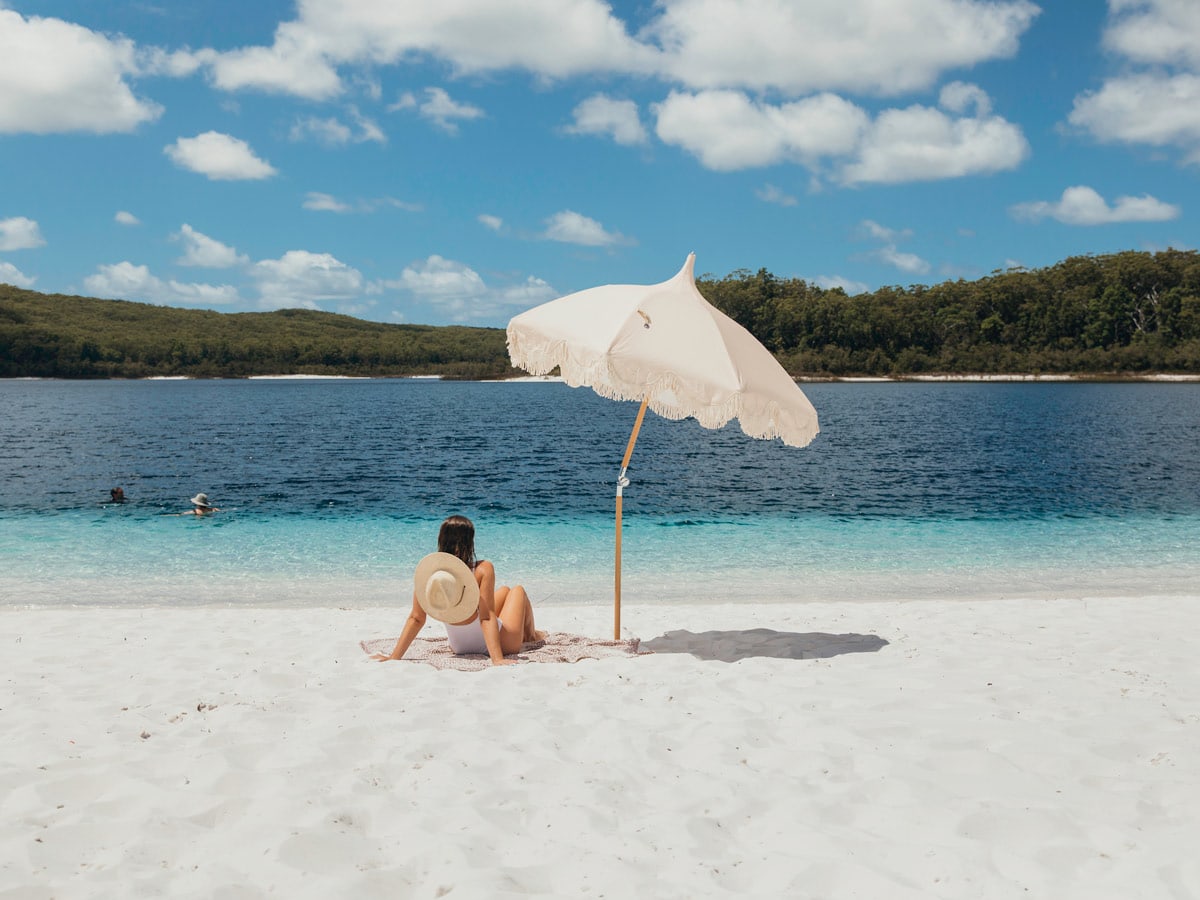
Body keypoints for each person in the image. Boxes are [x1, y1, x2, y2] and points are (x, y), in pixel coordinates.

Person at [374, 515, 543, 666]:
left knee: (505, 591)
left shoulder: (431, 574)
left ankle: (531, 634)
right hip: (503, 643)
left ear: (441, 540)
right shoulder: (483, 569)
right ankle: (532, 636)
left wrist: (394, 656)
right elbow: (486, 617)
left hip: (459, 646)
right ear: (470, 542)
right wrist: (497, 659)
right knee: (517, 590)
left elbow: (416, 618)